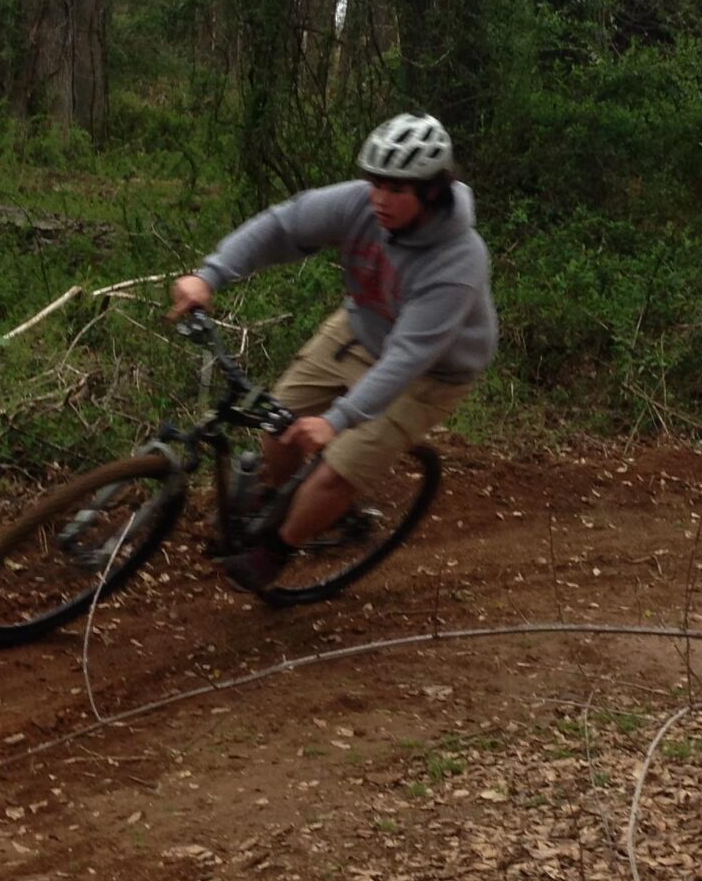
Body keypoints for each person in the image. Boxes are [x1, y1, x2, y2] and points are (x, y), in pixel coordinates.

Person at [168, 113, 497, 590]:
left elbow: (407, 358)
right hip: (361, 327)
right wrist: (210, 274)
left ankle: (275, 550)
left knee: (337, 469)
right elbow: (282, 226)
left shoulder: (458, 261)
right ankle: (275, 499)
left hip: (430, 372)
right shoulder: (360, 205)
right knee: (279, 426)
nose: (380, 199)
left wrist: (337, 421)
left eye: (397, 189)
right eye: (375, 183)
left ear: (431, 191)